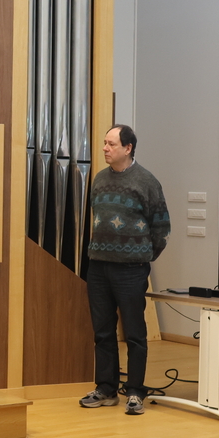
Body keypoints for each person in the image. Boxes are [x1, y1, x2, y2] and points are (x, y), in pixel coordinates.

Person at [78, 125, 170, 416]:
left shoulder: (146, 181)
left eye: (111, 144)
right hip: (98, 267)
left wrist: (141, 257)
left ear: (128, 148)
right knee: (103, 332)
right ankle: (106, 389)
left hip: (131, 270)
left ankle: (134, 392)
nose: (105, 148)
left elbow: (161, 228)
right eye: (104, 143)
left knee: (134, 333)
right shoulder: (99, 179)